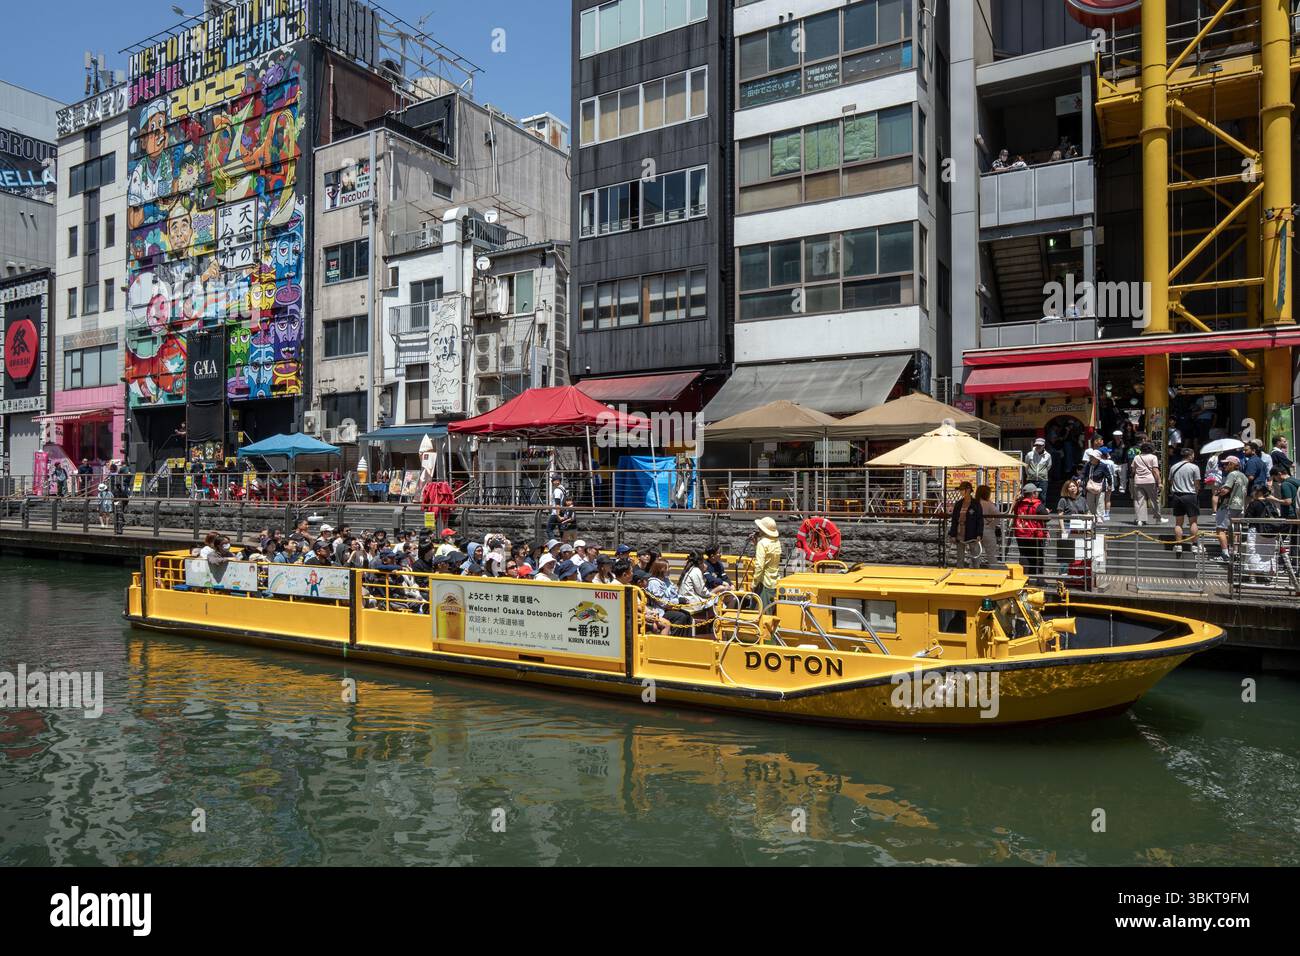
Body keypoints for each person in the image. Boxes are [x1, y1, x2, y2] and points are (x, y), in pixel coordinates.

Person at [1213, 456, 1248, 563]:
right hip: (1240, 506)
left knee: (1220, 529)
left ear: (1233, 465)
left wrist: (1218, 491)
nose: (1224, 466)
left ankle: (1225, 554)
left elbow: (1226, 490)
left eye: (1227, 463)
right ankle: (1235, 553)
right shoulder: (1244, 476)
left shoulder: (1232, 474)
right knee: (1235, 530)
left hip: (1228, 505)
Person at [1169, 447, 1203, 553]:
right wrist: (1196, 493)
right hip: (1190, 495)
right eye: (1193, 455)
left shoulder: (1174, 467)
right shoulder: (1194, 467)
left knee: (1178, 522)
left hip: (1177, 495)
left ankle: (1179, 545)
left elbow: (1171, 481)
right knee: (1193, 522)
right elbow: (1197, 484)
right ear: (1190, 455)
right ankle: (1194, 545)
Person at [1012, 484, 1048, 578]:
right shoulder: (1037, 505)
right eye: (1036, 492)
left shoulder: (1019, 503)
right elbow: (1047, 518)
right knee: (1037, 557)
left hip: (1020, 533)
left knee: (1023, 555)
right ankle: (1039, 579)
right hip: (1034, 535)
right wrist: (1047, 511)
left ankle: (1024, 578)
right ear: (1033, 493)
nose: (1037, 494)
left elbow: (1014, 511)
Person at [947, 481, 983, 568]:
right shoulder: (958, 504)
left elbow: (980, 520)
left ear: (968, 490)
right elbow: (954, 520)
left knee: (975, 556)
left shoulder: (976, 504)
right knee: (960, 556)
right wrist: (953, 534)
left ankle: (976, 572)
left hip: (972, 533)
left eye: (962, 490)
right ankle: (959, 571)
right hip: (960, 532)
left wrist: (979, 534)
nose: (960, 492)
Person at [1055, 477, 1087, 569]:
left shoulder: (1082, 499)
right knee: (1066, 553)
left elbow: (1087, 512)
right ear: (1066, 489)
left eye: (1074, 486)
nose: (1073, 488)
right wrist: (1063, 530)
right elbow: (1060, 516)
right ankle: (1063, 576)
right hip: (1067, 526)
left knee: (1079, 552)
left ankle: (1077, 574)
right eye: (1070, 487)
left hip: (1080, 528)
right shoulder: (1063, 500)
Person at [1130, 442, 1165, 525]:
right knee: (1154, 500)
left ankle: (1140, 519)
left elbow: (1133, 470)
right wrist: (1159, 482)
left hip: (1138, 481)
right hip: (1150, 481)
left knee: (1139, 500)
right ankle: (1158, 518)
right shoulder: (1153, 457)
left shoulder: (1136, 457)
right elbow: (1155, 471)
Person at [752, 517, 782, 612]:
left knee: (764, 612)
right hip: (775, 580)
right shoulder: (777, 542)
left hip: (764, 582)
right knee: (773, 610)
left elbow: (760, 566)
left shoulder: (762, 543)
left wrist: (754, 583)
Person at [976, 485, 1001, 568]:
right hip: (987, 529)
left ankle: (973, 572)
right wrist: (991, 525)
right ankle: (995, 573)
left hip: (975, 530)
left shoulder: (974, 504)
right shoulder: (988, 504)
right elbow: (998, 516)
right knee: (991, 555)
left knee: (975, 554)